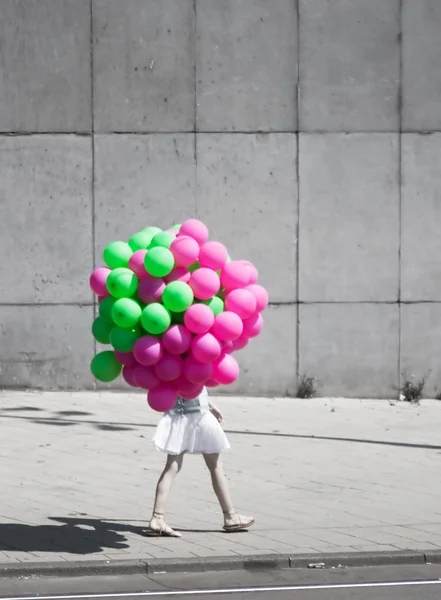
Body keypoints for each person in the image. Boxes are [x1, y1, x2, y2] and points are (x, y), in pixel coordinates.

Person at [148, 387, 255, 537]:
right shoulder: (192, 362)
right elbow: (196, 382)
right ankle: (230, 516)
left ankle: (157, 517)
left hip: (177, 418)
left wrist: (211, 405)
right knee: (216, 467)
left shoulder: (167, 365)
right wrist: (209, 406)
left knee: (171, 467)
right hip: (200, 418)